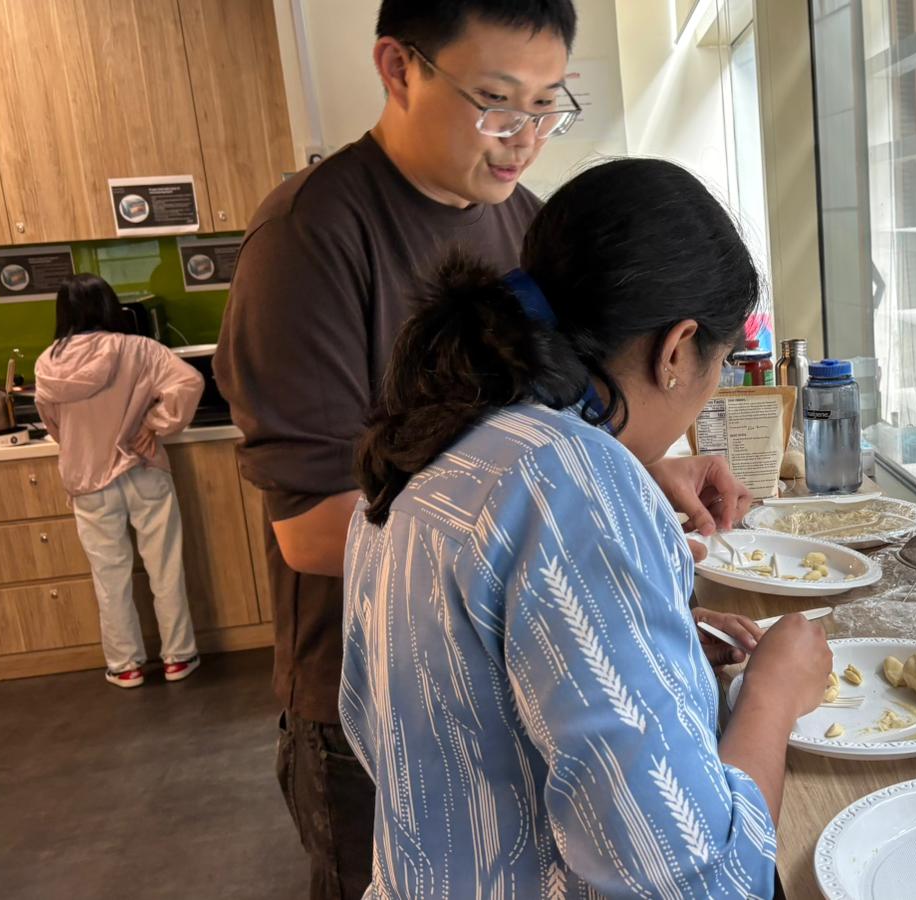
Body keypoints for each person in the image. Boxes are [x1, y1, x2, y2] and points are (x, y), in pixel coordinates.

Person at [215, 2, 751, 895]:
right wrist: (591, 558)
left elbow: (530, 454)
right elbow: (315, 529)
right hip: (380, 703)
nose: (525, 138)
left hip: (515, 680)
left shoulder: (523, 218)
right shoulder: (310, 239)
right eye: (498, 102)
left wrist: (638, 482)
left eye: (548, 105)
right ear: (399, 68)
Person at [341, 157, 832, 898]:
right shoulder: (572, 478)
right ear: (677, 350)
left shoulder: (435, 436)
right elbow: (701, 879)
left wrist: (649, 649)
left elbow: (429, 714)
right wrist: (774, 690)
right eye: (722, 363)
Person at [34, 274, 204, 689]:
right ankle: (178, 657)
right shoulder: (140, 349)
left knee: (109, 577)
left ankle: (125, 666)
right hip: (143, 468)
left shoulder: (47, 363)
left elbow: (52, 422)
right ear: (111, 306)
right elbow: (191, 381)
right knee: (165, 568)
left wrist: (80, 445)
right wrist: (155, 423)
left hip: (88, 478)